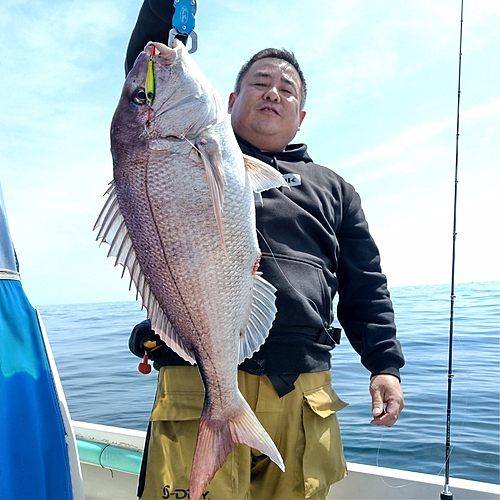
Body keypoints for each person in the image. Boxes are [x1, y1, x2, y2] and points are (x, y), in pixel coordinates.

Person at [126, 1, 405, 499]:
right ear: (229, 99)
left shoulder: (333, 188)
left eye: (286, 89)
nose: (272, 93)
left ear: (302, 116)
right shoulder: (190, 149)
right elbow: (145, 75)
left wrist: (384, 364)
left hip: (302, 389)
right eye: (258, 83)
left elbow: (366, 283)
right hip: (197, 378)